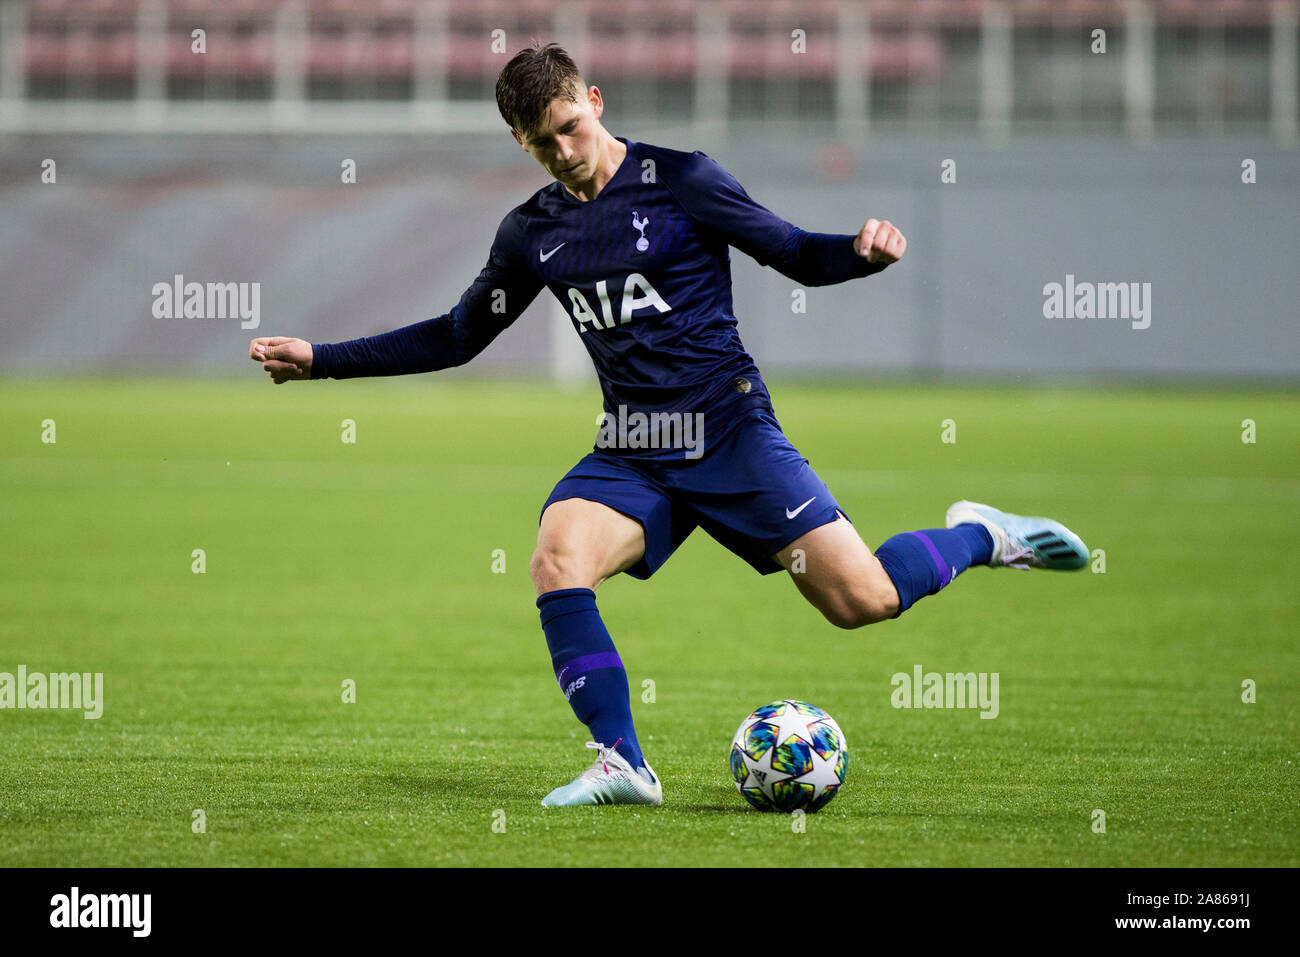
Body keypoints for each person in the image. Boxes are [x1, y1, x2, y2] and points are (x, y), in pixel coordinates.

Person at [250, 43, 1088, 807]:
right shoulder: (532, 233)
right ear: (521, 145)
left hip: (729, 430)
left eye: (572, 128)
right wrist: (322, 358)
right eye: (544, 144)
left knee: (861, 599)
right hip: (635, 450)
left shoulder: (683, 180)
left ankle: (982, 535)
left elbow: (793, 250)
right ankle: (623, 760)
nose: (566, 153)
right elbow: (457, 336)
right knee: (556, 556)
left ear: (597, 101)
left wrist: (858, 253)